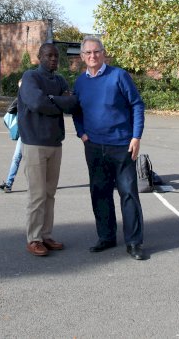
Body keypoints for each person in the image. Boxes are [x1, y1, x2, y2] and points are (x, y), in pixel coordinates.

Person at [73, 36, 147, 261]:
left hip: (122, 146)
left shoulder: (119, 75)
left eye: (96, 52)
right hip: (94, 146)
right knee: (99, 193)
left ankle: (134, 242)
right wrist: (82, 133)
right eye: (88, 53)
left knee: (128, 194)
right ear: (82, 56)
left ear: (103, 53)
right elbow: (76, 110)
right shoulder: (80, 81)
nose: (92, 56)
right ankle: (106, 237)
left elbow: (137, 104)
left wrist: (136, 136)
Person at [17, 43, 77, 257]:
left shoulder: (60, 80)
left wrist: (53, 100)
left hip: (54, 143)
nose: (53, 59)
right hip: (34, 143)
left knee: (50, 193)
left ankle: (46, 234)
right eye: (48, 55)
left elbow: (72, 103)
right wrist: (57, 102)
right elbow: (36, 103)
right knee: (37, 194)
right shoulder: (31, 77)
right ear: (39, 56)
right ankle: (33, 238)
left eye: (56, 56)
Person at [0, 80, 23, 193]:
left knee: (36, 161)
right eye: (19, 88)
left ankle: (43, 184)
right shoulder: (20, 100)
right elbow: (10, 109)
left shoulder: (34, 98)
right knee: (16, 158)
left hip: (34, 134)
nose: (21, 90)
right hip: (24, 135)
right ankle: (8, 184)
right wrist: (18, 98)